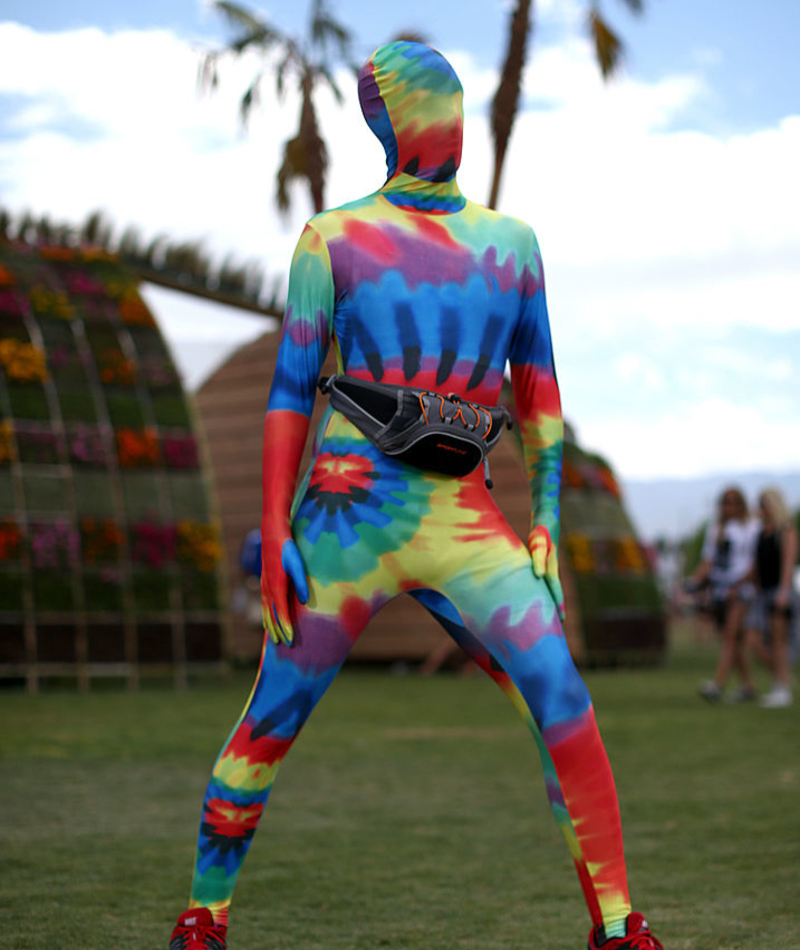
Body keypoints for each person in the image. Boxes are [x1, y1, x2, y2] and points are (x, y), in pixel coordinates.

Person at [169, 41, 663, 950]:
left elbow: (540, 395)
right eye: (428, 104)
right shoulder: (333, 240)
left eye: (455, 103)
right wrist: (273, 525)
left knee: (564, 698)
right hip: (348, 515)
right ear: (386, 122)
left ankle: (620, 924)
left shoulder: (512, 247)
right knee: (273, 714)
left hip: (466, 521)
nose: (448, 122)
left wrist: (547, 521)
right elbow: (289, 388)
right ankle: (204, 914)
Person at [690, 487, 759, 703]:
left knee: (730, 635)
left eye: (734, 502)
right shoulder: (717, 529)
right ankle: (749, 686)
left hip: (741, 590)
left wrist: (737, 584)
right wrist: (693, 581)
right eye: (726, 502)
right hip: (720, 590)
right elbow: (708, 561)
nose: (730, 506)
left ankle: (717, 685)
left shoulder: (751, 527)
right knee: (734, 640)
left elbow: (754, 562)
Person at [746, 488, 798, 708]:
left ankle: (782, 688)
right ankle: (781, 680)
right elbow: (757, 568)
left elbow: (788, 564)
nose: (761, 509)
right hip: (762, 593)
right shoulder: (760, 533)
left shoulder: (786, 531)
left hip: (779, 592)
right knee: (753, 639)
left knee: (778, 643)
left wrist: (784, 592)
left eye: (764, 504)